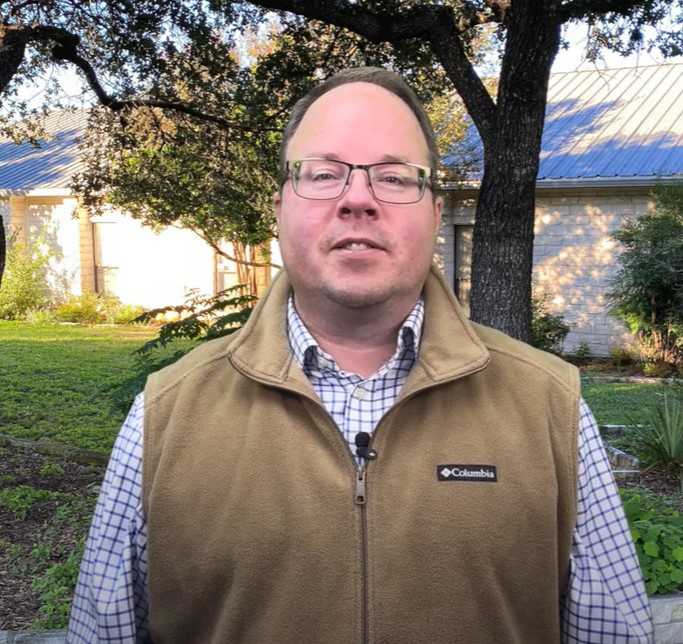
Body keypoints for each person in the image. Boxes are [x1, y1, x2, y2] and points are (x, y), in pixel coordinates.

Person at [67, 67, 653, 643]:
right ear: (279, 207)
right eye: (323, 174)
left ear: (431, 210)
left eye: (394, 178)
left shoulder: (550, 407)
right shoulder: (165, 417)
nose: (357, 200)